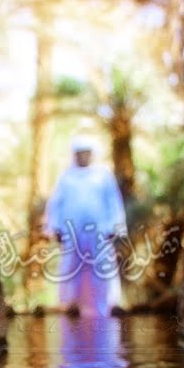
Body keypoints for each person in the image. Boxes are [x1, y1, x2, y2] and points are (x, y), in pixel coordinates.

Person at [43, 136, 127, 317]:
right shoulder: (66, 177)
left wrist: (116, 228)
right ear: (74, 155)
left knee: (104, 267)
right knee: (70, 267)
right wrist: (54, 228)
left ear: (92, 154)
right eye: (80, 153)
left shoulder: (103, 175)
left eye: (87, 153)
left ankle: (110, 304)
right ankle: (70, 304)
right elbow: (55, 204)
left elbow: (114, 202)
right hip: (72, 231)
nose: (83, 156)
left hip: (100, 231)